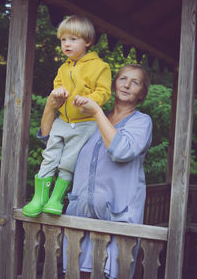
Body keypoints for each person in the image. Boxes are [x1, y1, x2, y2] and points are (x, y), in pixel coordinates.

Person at [36, 63, 153, 278]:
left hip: (118, 221)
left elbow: (120, 151)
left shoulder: (141, 122)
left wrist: (97, 111)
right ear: (114, 83)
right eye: (122, 79)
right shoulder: (88, 120)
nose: (127, 85)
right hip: (81, 217)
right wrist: (50, 106)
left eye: (135, 82)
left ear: (142, 93)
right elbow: (51, 143)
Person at [22, 15, 111, 217]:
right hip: (63, 121)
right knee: (49, 156)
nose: (66, 44)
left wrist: (89, 99)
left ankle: (56, 199)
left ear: (87, 41)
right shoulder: (63, 67)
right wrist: (58, 93)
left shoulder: (100, 67)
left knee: (69, 161)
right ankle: (39, 198)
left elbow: (104, 92)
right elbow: (57, 87)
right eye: (63, 40)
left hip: (85, 123)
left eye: (72, 39)